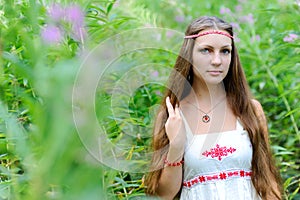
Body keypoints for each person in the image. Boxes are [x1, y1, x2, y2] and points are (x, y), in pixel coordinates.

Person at [144, 16, 282, 199]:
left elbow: (268, 180)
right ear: (188, 55)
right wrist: (176, 147)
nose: (217, 60)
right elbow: (164, 195)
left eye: (225, 51)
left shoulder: (249, 110)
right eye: (206, 50)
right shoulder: (173, 115)